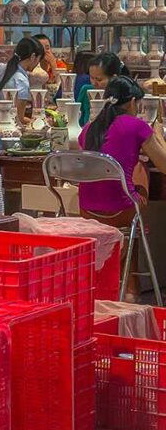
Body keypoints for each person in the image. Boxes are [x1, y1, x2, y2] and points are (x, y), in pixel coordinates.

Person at [79, 76, 166, 301]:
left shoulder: (89, 128)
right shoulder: (137, 126)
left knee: (127, 180)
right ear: (133, 102)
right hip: (121, 211)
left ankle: (129, 286)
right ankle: (131, 289)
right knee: (139, 169)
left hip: (87, 210)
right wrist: (156, 135)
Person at [0, 36, 44, 126]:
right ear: (33, 57)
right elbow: (19, 118)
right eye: (39, 59)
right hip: (7, 126)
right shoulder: (21, 80)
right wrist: (37, 122)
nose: (38, 63)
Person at [79, 53, 129, 125]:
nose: (94, 83)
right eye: (91, 78)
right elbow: (78, 120)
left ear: (113, 78)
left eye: (99, 79)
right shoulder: (86, 90)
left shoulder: (123, 96)